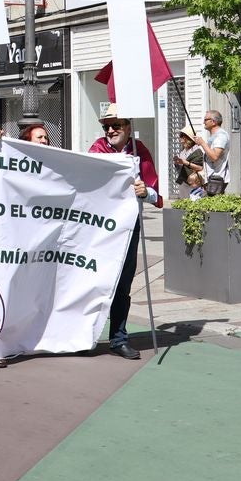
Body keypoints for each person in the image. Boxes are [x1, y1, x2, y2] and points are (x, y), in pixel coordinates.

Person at [88, 104, 162, 360]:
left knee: (123, 284)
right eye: (106, 126)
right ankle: (86, 335)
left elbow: (156, 194)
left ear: (128, 127)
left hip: (128, 227)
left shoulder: (139, 151)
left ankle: (118, 338)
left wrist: (145, 191)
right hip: (99, 227)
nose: (110, 130)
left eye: (116, 125)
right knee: (93, 281)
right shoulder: (97, 149)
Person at [194, 110, 230, 194]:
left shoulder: (221, 136)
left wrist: (202, 143)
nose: (204, 122)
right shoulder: (214, 136)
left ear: (213, 122)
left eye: (206, 119)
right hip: (211, 178)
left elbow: (214, 157)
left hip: (217, 178)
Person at [173, 125, 205, 199]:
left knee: (193, 203)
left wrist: (186, 163)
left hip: (193, 183)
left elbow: (200, 167)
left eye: (181, 135)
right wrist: (177, 163)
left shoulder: (197, 151)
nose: (179, 137)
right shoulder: (183, 151)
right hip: (183, 181)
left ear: (186, 137)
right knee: (183, 205)